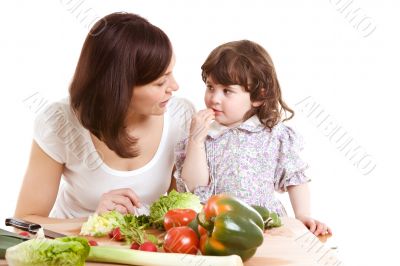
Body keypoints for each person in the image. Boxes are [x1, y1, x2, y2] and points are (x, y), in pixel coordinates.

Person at [14, 12, 195, 223]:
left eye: (171, 74)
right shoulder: (60, 122)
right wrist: (94, 220)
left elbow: (180, 213)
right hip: (76, 247)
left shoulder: (180, 116)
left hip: (140, 249)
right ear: (121, 87)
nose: (174, 87)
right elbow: (23, 221)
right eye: (160, 82)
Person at [174, 40, 331, 236]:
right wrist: (195, 141)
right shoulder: (205, 134)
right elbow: (193, 188)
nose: (214, 98)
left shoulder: (273, 134)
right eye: (210, 87)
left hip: (265, 227)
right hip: (215, 229)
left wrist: (303, 215)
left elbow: (294, 176)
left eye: (227, 91)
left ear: (258, 96)